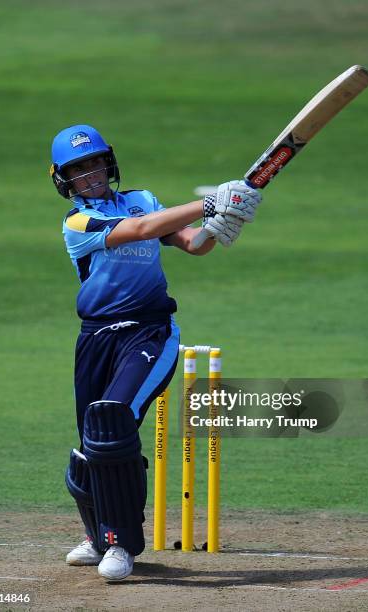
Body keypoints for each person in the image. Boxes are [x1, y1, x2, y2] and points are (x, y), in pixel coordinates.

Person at [50, 124, 262, 581]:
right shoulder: (78, 224)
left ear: (109, 162)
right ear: (63, 180)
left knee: (112, 419)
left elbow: (192, 244)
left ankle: (121, 544)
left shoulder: (142, 198)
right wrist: (211, 202)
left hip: (149, 332)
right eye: (78, 169)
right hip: (96, 337)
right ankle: (97, 534)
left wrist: (223, 223)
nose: (90, 174)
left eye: (94, 163)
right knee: (90, 448)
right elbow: (141, 231)